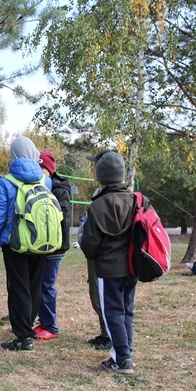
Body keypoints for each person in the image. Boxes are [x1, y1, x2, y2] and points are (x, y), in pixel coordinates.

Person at [0, 136, 47, 351]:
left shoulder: (5, 181)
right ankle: (28, 328)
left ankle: (23, 337)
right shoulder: (44, 180)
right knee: (34, 286)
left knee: (18, 288)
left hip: (14, 242)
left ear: (12, 155)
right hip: (41, 241)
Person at [81, 152, 136, 374]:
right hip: (133, 265)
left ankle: (121, 359)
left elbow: (89, 245)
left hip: (109, 268)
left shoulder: (98, 206)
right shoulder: (136, 200)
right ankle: (126, 352)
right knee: (126, 310)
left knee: (112, 312)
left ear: (101, 176)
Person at [33, 151, 72, 340]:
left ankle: (51, 326)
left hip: (56, 245)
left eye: (42, 169)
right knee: (40, 284)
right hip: (42, 244)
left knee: (46, 285)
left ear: (49, 169)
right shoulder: (36, 186)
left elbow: (61, 213)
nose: (39, 173)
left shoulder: (59, 188)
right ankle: (44, 320)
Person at [80, 150, 114, 351]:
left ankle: (110, 335)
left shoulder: (110, 195)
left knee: (103, 296)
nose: (93, 169)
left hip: (104, 256)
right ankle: (105, 332)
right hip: (95, 253)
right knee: (95, 294)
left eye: (96, 165)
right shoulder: (98, 192)